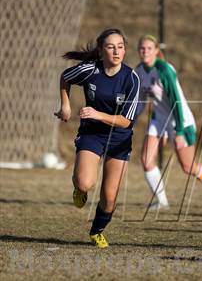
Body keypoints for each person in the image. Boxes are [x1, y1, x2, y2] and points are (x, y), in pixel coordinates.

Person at [54, 28, 141, 248]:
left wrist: (97, 114)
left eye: (120, 47)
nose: (116, 51)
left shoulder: (131, 79)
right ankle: (79, 189)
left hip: (119, 138)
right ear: (101, 50)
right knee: (85, 182)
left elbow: (126, 121)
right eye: (111, 47)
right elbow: (65, 78)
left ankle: (96, 231)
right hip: (92, 134)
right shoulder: (90, 70)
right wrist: (65, 105)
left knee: (109, 198)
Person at [134, 34, 202, 210]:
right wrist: (130, 122)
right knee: (146, 160)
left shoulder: (164, 70)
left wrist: (178, 132)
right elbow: (140, 101)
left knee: (188, 166)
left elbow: (176, 100)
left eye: (149, 48)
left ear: (156, 51)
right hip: (159, 119)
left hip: (180, 120)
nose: (145, 51)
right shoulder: (139, 71)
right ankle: (162, 201)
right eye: (142, 48)